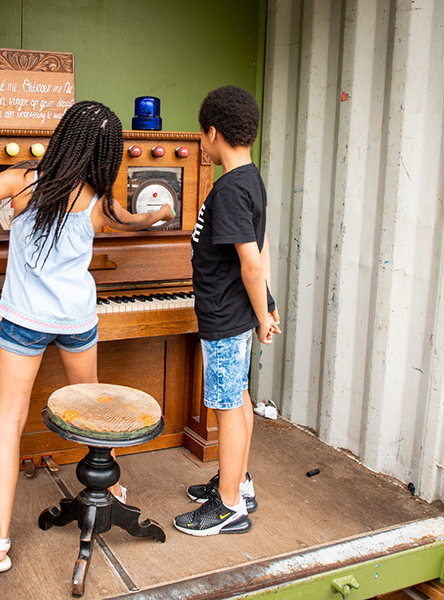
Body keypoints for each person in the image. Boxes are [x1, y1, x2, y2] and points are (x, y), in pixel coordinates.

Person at [0, 100, 176, 572]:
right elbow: (141, 220)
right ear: (105, 154)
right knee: (91, 408)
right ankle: (106, 489)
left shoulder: (23, 180)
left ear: (63, 136)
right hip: (76, 322)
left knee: (9, 421)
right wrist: (162, 212)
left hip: (24, 320)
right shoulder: (101, 202)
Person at [173, 85, 280, 537]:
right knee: (238, 399)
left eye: (201, 134)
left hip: (226, 316)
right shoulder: (250, 179)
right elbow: (262, 245)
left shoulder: (231, 189)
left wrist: (261, 314)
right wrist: (268, 304)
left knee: (226, 407)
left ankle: (229, 506)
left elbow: (251, 262)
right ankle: (239, 482)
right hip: (237, 312)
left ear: (213, 132)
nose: (201, 142)